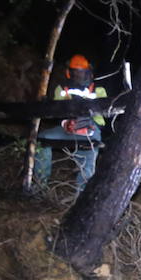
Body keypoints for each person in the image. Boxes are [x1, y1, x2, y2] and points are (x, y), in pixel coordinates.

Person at [34, 54, 108, 192]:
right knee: (42, 139)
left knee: (90, 152)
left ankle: (81, 194)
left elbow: (105, 117)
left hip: (90, 130)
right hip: (66, 130)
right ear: (69, 73)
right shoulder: (62, 89)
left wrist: (91, 121)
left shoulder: (99, 89)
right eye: (76, 73)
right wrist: (65, 123)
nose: (79, 76)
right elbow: (56, 112)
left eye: (82, 73)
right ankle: (39, 186)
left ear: (89, 72)